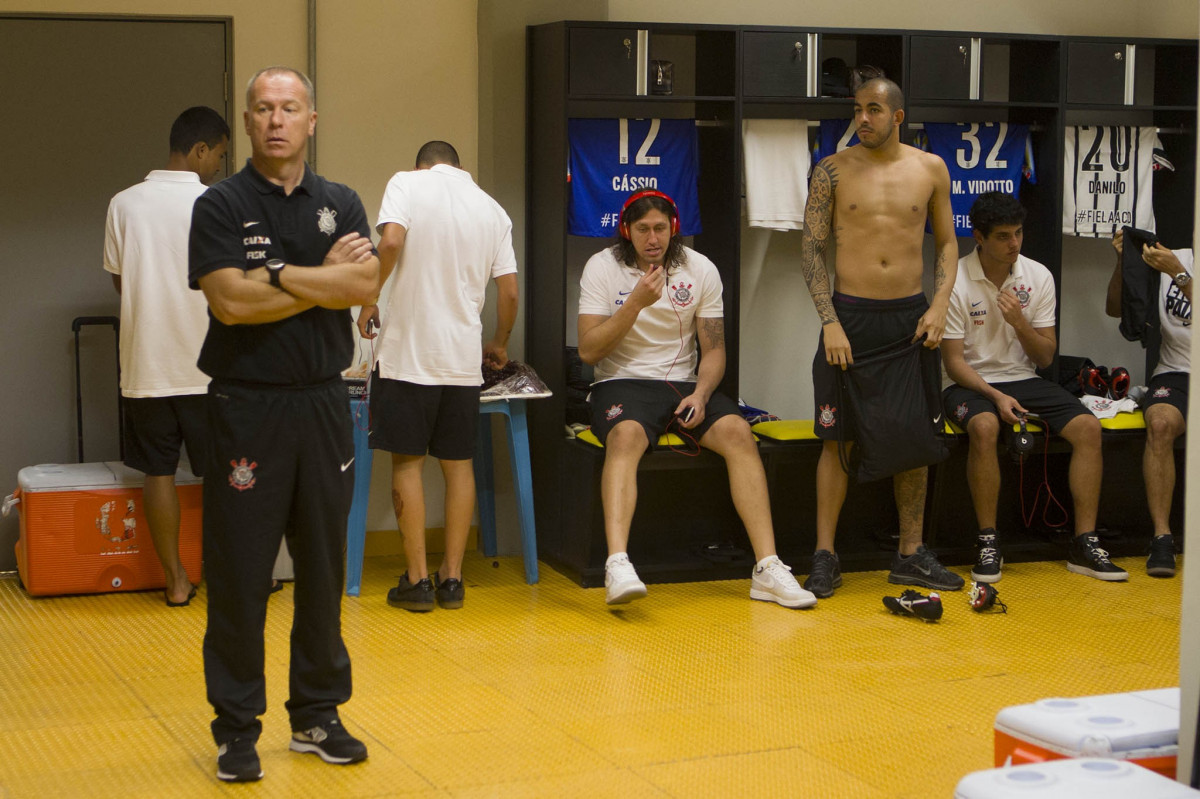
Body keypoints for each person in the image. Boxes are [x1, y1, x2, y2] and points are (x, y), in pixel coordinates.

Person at [188, 66, 378, 782]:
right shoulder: (220, 204)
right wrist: (313, 276)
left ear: (311, 119)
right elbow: (229, 303)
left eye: (289, 108)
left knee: (324, 567)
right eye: (263, 108)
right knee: (241, 574)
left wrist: (274, 274)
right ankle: (237, 726)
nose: (276, 120)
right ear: (246, 122)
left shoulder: (341, 202)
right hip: (246, 406)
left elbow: (362, 285)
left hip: (326, 404)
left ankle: (317, 714)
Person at [578, 189, 816, 609]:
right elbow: (589, 351)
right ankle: (617, 563)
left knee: (739, 432)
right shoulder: (602, 267)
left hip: (685, 384)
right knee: (626, 437)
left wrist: (703, 394)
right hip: (622, 381)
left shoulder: (699, 268)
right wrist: (634, 303)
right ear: (626, 231)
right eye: (643, 230)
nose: (653, 239)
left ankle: (767, 567)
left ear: (673, 229)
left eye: (660, 229)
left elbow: (715, 351)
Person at [800, 76, 963, 598]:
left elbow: (948, 246)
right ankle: (825, 554)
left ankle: (910, 555)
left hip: (910, 320)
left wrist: (940, 304)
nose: (862, 118)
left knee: (913, 440)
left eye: (873, 109)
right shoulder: (831, 170)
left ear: (897, 116)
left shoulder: (930, 169)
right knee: (837, 438)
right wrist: (829, 320)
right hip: (849, 318)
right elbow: (810, 251)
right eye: (857, 109)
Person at [357, 141, 519, 612]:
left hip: (409, 356)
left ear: (421, 165)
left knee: (408, 463)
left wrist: (370, 295)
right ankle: (453, 579)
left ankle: (417, 580)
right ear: (458, 167)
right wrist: (500, 341)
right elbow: (508, 291)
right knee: (458, 464)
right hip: (461, 362)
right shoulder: (491, 208)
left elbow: (389, 242)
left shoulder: (406, 183)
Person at [941, 192, 1119, 583]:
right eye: (1003, 236)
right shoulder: (953, 280)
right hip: (968, 382)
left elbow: (1044, 359)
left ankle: (1084, 542)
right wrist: (996, 396)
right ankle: (988, 541)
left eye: (1018, 233)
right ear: (979, 237)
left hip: (1024, 379)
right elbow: (952, 362)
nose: (1014, 244)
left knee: (1089, 428)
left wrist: (1020, 323)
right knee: (985, 427)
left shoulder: (1037, 276)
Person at [103, 106, 228, 607]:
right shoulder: (217, 201)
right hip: (208, 367)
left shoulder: (124, 204)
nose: (219, 165)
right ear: (199, 150)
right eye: (218, 154)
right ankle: (232, 577)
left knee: (158, 473)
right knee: (228, 474)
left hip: (145, 366)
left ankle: (176, 580)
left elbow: (119, 279)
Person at [1106, 229, 1193, 577]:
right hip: (1177, 372)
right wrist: (1123, 263)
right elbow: (1115, 309)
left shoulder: (1175, 265)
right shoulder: (1173, 257)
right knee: (1159, 423)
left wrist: (1180, 275)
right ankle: (1162, 537)